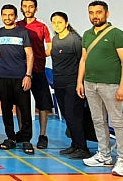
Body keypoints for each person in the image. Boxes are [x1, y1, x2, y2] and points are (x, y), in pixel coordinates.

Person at [77, 1, 123, 176]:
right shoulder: (87, 35)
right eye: (91, 12)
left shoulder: (117, 34)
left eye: (98, 12)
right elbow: (83, 59)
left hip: (111, 85)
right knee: (98, 120)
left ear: (107, 14)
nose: (95, 16)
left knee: (117, 122)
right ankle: (104, 155)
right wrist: (80, 81)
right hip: (90, 83)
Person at [0, 4, 34, 155]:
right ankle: (11, 138)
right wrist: (1, 58)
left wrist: (28, 75)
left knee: (25, 109)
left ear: (15, 16)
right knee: (6, 109)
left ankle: (26, 139)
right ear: (1, 16)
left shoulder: (23, 32)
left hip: (20, 77)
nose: (7, 17)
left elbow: (30, 54)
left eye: (10, 15)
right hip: (3, 77)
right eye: (4, 15)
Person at [49, 11, 90, 160]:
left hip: (72, 84)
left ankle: (83, 148)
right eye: (54, 22)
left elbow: (83, 61)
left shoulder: (75, 40)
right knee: (67, 115)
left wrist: (80, 83)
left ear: (66, 23)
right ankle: (75, 144)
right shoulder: (55, 39)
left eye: (60, 22)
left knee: (74, 116)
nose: (57, 25)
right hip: (59, 83)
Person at [17, 0, 53, 149]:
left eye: (31, 6)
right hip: (21, 71)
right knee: (20, 103)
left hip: (38, 70)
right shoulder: (17, 25)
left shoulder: (42, 26)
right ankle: (22, 132)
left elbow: (50, 48)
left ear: (36, 9)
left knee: (43, 104)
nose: (27, 9)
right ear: (21, 8)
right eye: (25, 6)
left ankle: (43, 135)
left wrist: (38, 56)